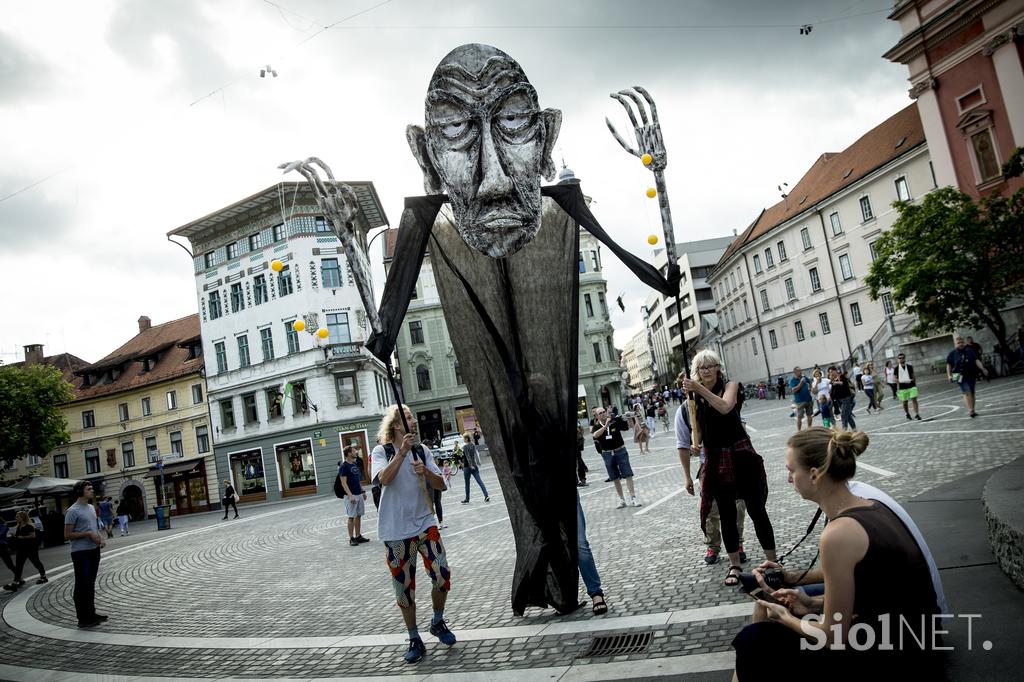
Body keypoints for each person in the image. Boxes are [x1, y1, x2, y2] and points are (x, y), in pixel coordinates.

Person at [731, 428, 941, 679]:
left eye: (791, 470)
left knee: (755, 636)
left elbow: (833, 636)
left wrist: (785, 616)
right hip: (916, 637)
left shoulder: (838, 533)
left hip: (895, 655)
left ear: (814, 474)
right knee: (764, 622)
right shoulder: (872, 506)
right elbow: (876, 587)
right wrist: (810, 601)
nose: (789, 479)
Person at [682, 350, 776, 585]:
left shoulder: (730, 386)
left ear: (718, 368)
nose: (706, 371)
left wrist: (698, 389)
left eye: (710, 366)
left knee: (757, 510)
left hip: (740, 454)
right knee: (726, 515)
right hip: (716, 459)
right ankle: (735, 565)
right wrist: (696, 443)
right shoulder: (694, 398)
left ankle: (773, 563)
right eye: (701, 368)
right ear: (697, 371)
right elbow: (699, 430)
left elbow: (725, 407)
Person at [371, 405, 454, 664]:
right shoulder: (380, 451)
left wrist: (426, 472)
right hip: (395, 531)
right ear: (397, 425)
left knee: (442, 575)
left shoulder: (423, 450)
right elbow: (383, 479)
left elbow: (441, 484)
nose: (414, 421)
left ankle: (437, 622)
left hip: (424, 524)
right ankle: (414, 637)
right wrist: (402, 452)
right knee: (404, 589)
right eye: (408, 418)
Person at [675, 385, 747, 566]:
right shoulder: (684, 411)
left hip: (731, 459)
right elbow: (682, 445)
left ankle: (737, 543)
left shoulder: (720, 400)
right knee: (710, 508)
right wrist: (687, 476)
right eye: (684, 387)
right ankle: (713, 546)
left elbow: (738, 425)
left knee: (738, 505)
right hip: (707, 463)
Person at [63, 481, 108, 628]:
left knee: (90, 583)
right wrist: (88, 534)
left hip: (93, 550)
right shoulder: (72, 511)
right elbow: (67, 535)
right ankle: (82, 618)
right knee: (82, 584)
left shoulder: (90, 507)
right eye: (88, 489)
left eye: (92, 489)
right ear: (80, 492)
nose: (92, 491)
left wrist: (99, 538)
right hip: (80, 552)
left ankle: (91, 613)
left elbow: (93, 527)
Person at [591, 406, 641, 508]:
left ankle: (633, 498)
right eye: (600, 413)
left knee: (628, 474)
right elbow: (595, 435)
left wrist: (630, 417)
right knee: (615, 477)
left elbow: (629, 426)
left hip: (620, 450)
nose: (603, 414)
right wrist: (606, 426)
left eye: (604, 411)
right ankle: (621, 499)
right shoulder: (596, 426)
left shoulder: (615, 420)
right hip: (607, 454)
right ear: (597, 416)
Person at [576, 492, 608, 615]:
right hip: (539, 490)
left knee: (580, 545)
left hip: (564, 487)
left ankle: (596, 593)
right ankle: (563, 598)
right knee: (555, 548)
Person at [3, 511, 47, 591]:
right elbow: (19, 537)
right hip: (21, 549)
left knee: (36, 562)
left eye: (17, 517)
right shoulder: (18, 526)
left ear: (22, 517)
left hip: (30, 548)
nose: (16, 518)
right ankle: (15, 582)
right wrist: (15, 536)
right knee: (19, 566)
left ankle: (43, 577)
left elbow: (33, 536)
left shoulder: (29, 526)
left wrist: (21, 537)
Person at [947, 335, 989, 418]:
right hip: (957, 375)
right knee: (967, 391)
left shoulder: (969, 351)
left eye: (962, 342)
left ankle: (972, 410)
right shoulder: (952, 353)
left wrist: (983, 369)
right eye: (958, 343)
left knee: (972, 392)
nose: (960, 344)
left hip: (971, 373)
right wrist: (949, 375)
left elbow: (976, 360)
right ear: (955, 344)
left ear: (964, 343)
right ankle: (970, 410)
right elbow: (948, 364)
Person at [339, 446, 369, 546]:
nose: (356, 452)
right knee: (351, 516)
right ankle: (351, 538)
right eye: (353, 451)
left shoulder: (355, 464)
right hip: (350, 495)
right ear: (348, 453)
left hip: (359, 493)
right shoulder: (344, 466)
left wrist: (362, 491)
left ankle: (358, 536)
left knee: (359, 515)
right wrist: (350, 495)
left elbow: (357, 480)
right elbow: (343, 483)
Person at [459, 433, 489, 503]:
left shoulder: (465, 447)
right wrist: (478, 462)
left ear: (466, 439)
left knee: (467, 483)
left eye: (464, 438)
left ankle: (467, 498)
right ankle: (486, 495)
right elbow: (476, 454)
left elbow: (467, 456)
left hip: (467, 467)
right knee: (479, 481)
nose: (463, 440)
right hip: (475, 466)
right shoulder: (473, 445)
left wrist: (470, 465)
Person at [895, 352, 921, 420]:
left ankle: (917, 414)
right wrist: (898, 381)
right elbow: (895, 378)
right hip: (902, 387)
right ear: (897, 359)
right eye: (900, 358)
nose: (902, 359)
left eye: (903, 358)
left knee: (914, 399)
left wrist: (914, 384)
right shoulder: (896, 368)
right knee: (905, 402)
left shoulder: (909, 367)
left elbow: (913, 376)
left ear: (905, 358)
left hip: (911, 385)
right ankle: (907, 413)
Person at [788, 367, 813, 431]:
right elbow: (793, 390)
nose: (801, 372)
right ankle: (799, 430)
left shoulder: (804, 377)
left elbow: (809, 381)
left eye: (801, 370)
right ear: (795, 372)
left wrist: (810, 387)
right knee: (799, 417)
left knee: (809, 415)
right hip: (800, 401)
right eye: (799, 371)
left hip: (808, 399)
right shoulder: (792, 380)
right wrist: (801, 383)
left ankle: (809, 428)